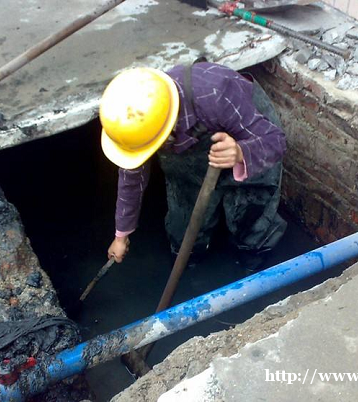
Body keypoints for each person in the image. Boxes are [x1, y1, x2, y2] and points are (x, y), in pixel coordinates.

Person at [101, 61, 287, 271]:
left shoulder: (216, 93)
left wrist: (241, 152)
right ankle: (191, 259)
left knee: (251, 222)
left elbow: (275, 141)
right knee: (184, 234)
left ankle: (252, 260)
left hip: (249, 138)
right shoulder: (134, 127)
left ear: (167, 129)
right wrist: (121, 235)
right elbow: (132, 178)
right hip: (190, 162)